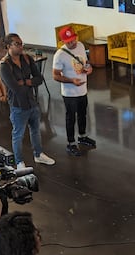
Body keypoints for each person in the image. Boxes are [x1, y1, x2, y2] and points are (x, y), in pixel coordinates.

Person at [0, 33, 55, 169]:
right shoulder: (4, 66)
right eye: (17, 44)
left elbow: (39, 79)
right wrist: (29, 83)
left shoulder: (27, 59)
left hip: (32, 102)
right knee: (17, 135)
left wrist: (25, 82)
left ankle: (38, 154)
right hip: (18, 106)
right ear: (8, 46)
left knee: (35, 130)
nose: (20, 46)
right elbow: (14, 88)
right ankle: (19, 162)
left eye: (21, 43)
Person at [53, 26, 96, 157]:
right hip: (70, 93)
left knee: (83, 114)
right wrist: (72, 81)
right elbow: (55, 75)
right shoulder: (59, 55)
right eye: (69, 41)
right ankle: (71, 143)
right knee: (70, 118)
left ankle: (82, 136)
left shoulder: (81, 46)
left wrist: (89, 68)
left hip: (82, 90)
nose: (72, 43)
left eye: (73, 39)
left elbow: (85, 62)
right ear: (63, 41)